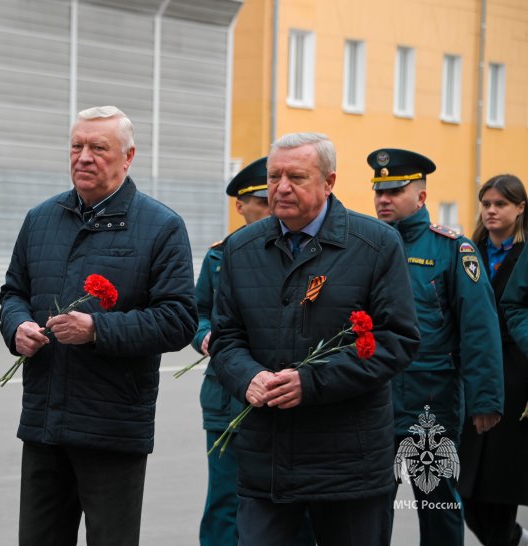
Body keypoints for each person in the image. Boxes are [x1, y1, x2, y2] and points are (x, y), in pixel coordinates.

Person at [0, 105, 197, 546]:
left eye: (98, 148)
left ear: (128, 157)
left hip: (112, 429)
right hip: (45, 422)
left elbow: (180, 320)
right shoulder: (41, 218)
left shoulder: (161, 226)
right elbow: (13, 292)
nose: (84, 156)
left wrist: (97, 330)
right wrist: (17, 328)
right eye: (76, 146)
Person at [211, 132, 420, 546]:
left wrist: (311, 382)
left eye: (297, 177)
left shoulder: (375, 244)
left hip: (348, 465)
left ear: (329, 182)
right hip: (266, 461)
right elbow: (225, 337)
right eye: (274, 176)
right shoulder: (241, 248)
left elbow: (396, 340)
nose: (281, 187)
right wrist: (247, 377)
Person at [369, 148, 504, 546]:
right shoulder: (368, 245)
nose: (383, 200)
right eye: (379, 192)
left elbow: (479, 328)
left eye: (394, 191)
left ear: (422, 197)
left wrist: (485, 400)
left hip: (433, 399)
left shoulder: (451, 250)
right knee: (371, 505)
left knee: (437, 503)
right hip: (375, 398)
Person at [192, 156, 269, 546]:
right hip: (225, 398)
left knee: (286, 502)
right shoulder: (219, 256)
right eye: (264, 199)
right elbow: (195, 314)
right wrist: (204, 335)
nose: (274, 204)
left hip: (278, 395)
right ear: (241, 206)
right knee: (225, 500)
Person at [462, 175, 528, 546]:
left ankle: (507, 536)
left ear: (520, 208)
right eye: (486, 203)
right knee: (466, 489)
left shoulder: (525, 253)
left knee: (499, 487)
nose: (490, 210)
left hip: (516, 377)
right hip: (473, 374)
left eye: (500, 204)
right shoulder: (468, 251)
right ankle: (513, 538)